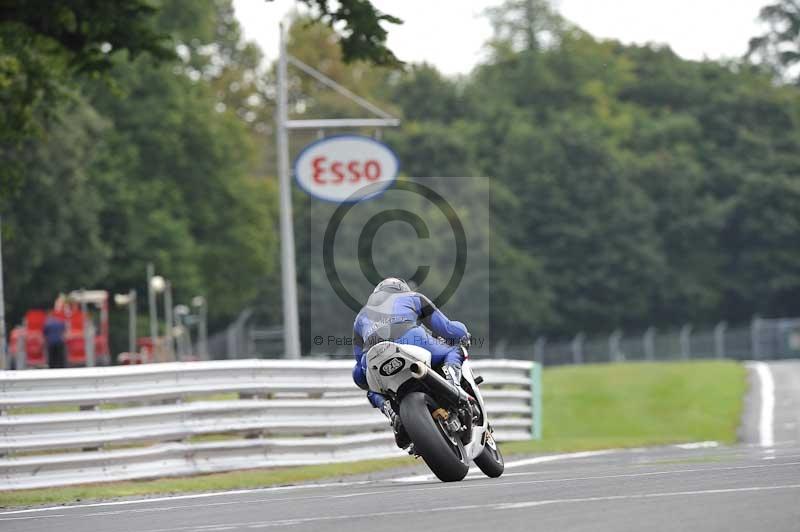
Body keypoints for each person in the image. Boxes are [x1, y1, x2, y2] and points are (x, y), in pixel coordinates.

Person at [351, 277, 471, 448]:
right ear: (402, 288)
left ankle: (392, 414)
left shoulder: (360, 317)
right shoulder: (413, 297)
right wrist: (463, 335)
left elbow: (359, 371)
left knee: (372, 389)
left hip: (373, 357)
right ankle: (453, 385)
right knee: (454, 350)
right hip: (411, 340)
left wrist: (365, 380)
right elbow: (448, 329)